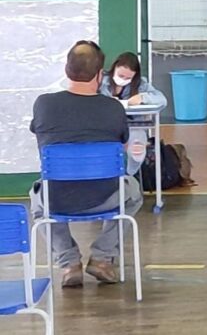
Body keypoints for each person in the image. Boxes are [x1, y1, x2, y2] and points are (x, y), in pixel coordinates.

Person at [30, 41, 144, 288]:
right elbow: (123, 145)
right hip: (106, 196)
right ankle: (102, 258)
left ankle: (69, 263)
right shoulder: (113, 108)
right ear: (100, 75)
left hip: (58, 198)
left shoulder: (44, 104)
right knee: (133, 192)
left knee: (38, 201)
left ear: (67, 69)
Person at [99, 52, 167, 175]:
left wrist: (142, 98)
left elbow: (162, 100)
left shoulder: (141, 84)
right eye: (121, 75)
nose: (123, 80)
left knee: (137, 146)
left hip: (133, 127)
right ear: (114, 68)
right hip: (105, 127)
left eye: (128, 78)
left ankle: (128, 175)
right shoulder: (101, 81)